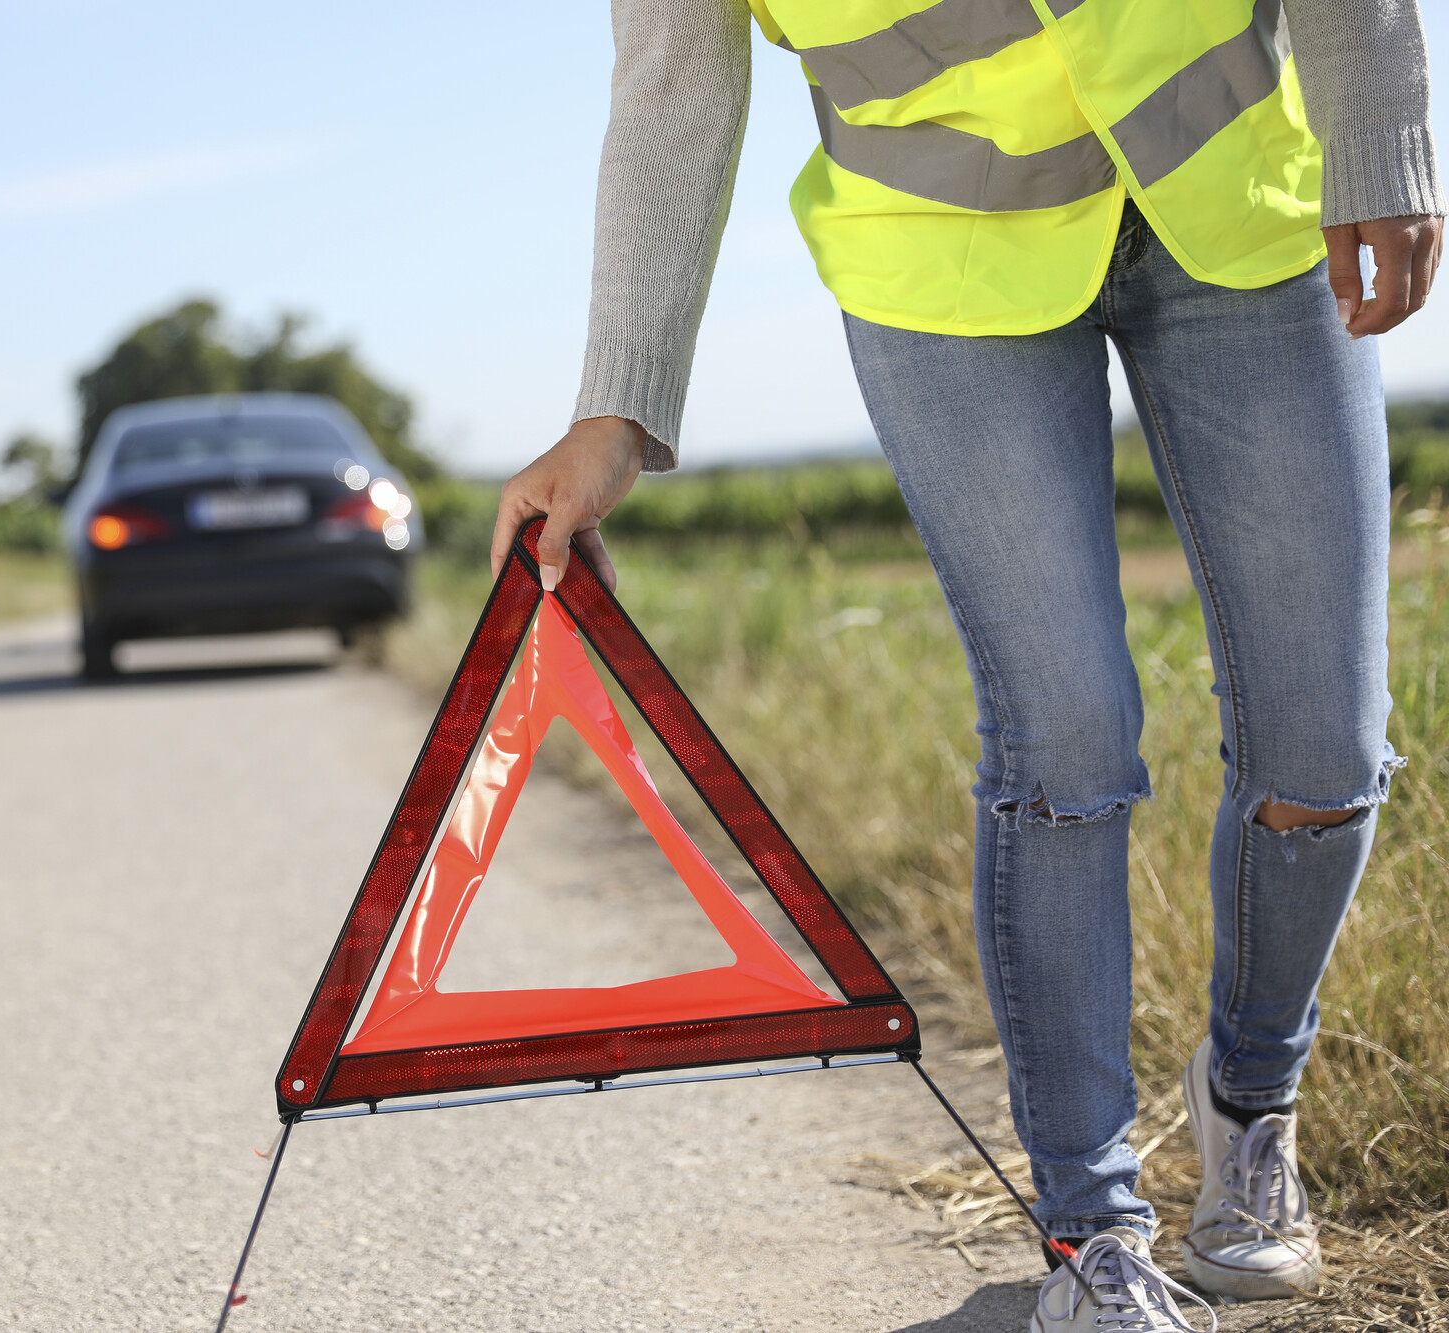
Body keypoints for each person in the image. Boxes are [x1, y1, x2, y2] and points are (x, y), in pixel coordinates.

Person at [490, 2, 1444, 1329]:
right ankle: (1092, 1235)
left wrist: (1381, 137)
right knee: (1064, 738)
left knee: (1325, 751)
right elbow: (670, 88)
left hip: (1234, 197)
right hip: (940, 270)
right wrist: (617, 405)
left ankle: (1249, 1096)